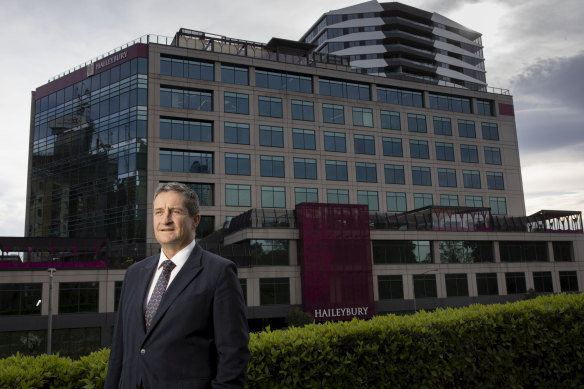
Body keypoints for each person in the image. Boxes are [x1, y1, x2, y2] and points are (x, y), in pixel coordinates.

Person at [105, 182, 250, 388]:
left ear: (195, 220)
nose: (165, 219)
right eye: (159, 212)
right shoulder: (134, 274)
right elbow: (119, 349)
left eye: (175, 211)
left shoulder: (219, 273)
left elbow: (234, 354)